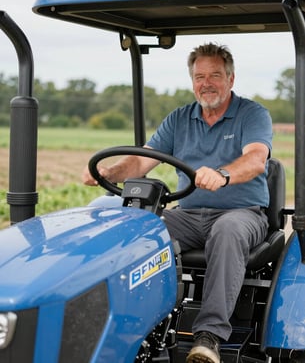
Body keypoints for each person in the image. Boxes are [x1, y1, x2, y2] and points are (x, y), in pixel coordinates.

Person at [82, 43, 272, 363]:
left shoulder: (252, 115)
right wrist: (108, 172)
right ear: (192, 80)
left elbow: (256, 159)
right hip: (188, 213)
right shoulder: (180, 118)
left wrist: (223, 174)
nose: (206, 83)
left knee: (228, 231)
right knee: (140, 229)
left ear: (230, 79)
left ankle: (208, 337)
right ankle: (134, 327)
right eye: (199, 76)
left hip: (242, 212)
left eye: (214, 75)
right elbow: (140, 163)